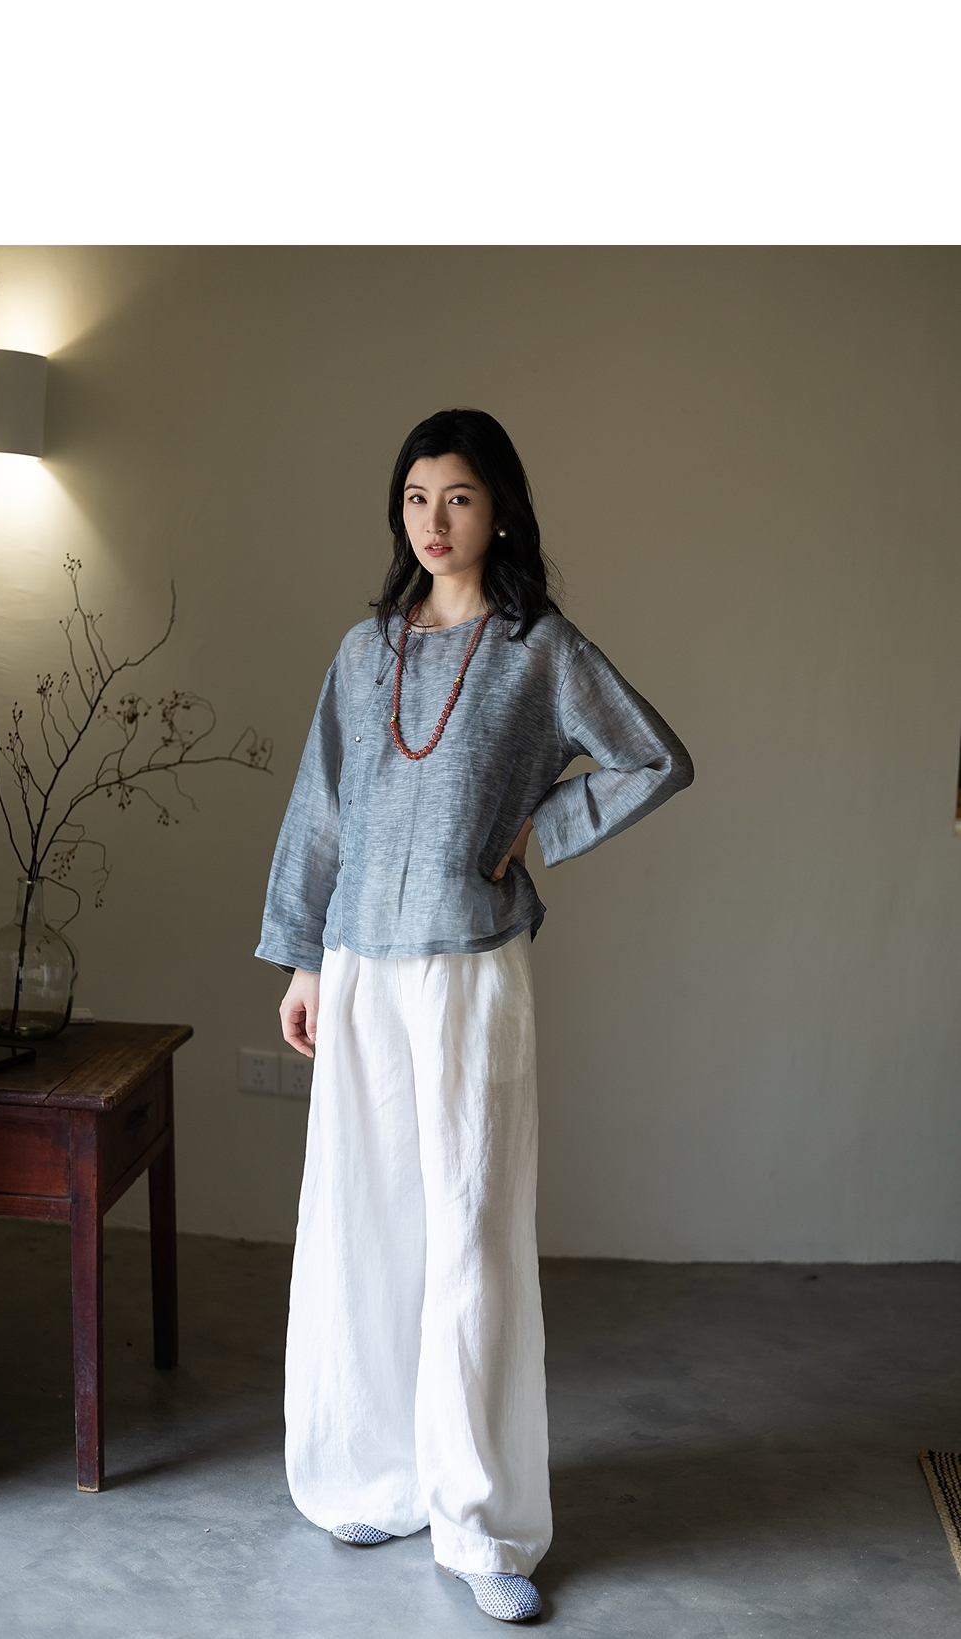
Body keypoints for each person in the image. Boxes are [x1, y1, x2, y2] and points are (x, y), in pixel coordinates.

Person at [255, 408, 693, 1623]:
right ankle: (375, 1474)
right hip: (358, 966)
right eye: (416, 498)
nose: (434, 521)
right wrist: (301, 961)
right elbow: (320, 809)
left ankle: (481, 1522)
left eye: (457, 497)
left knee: (470, 1233)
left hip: (469, 971)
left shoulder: (538, 649)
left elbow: (653, 757)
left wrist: (543, 826)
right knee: (362, 1221)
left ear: (499, 509)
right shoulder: (365, 651)